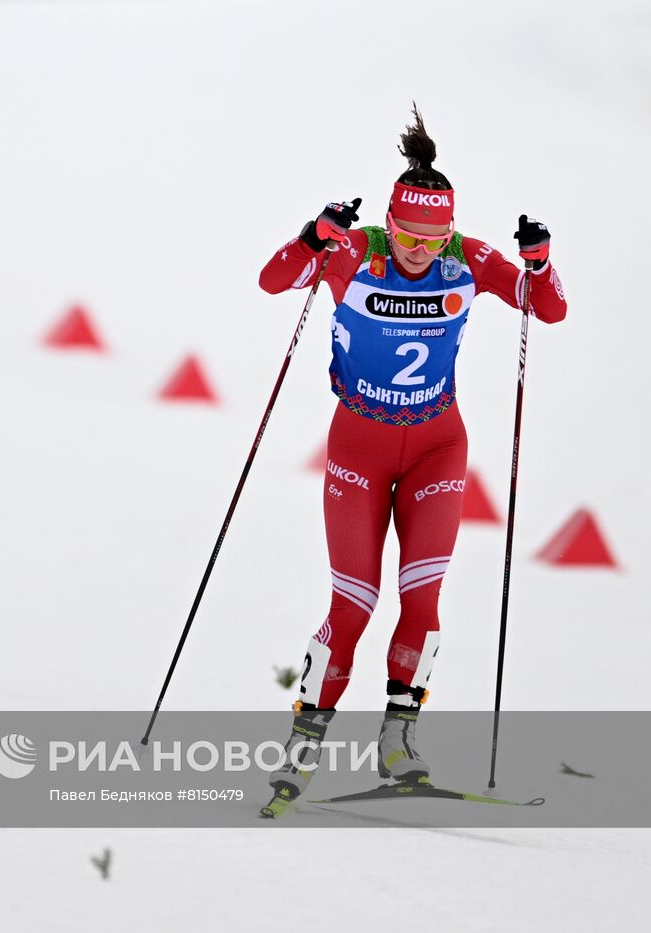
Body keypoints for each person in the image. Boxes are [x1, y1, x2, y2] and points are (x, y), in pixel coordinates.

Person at [255, 108, 567, 815]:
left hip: (436, 446)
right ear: (388, 222)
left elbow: (545, 308)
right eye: (409, 235)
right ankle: (305, 740)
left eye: (434, 236)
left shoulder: (470, 257)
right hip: (359, 447)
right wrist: (313, 236)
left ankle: (399, 740)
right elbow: (275, 281)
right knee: (354, 602)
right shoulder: (354, 252)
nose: (422, 250)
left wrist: (539, 263)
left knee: (422, 595)